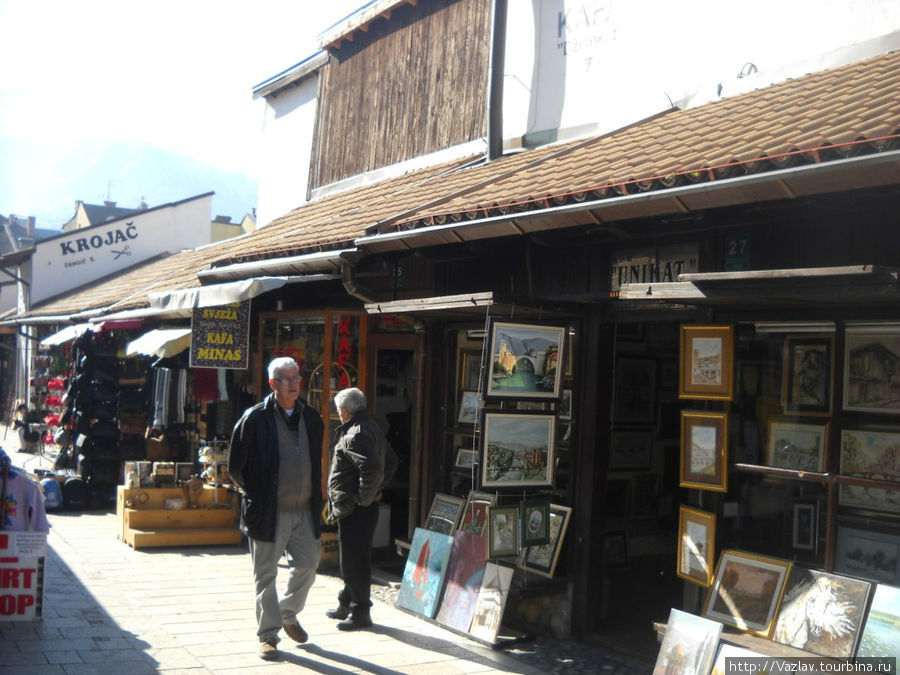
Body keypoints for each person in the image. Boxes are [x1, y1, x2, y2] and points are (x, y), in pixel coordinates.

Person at [228, 357, 324, 661]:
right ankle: (268, 635)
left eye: (297, 377)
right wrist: (259, 494)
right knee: (265, 575)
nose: (295, 384)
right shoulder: (254, 418)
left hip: (304, 509)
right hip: (269, 511)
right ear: (273, 384)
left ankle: (286, 613)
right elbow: (235, 468)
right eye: (287, 379)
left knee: (309, 564)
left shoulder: (312, 417)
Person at [326, 387, 397, 631]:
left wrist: (362, 498)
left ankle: (360, 612)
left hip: (355, 508)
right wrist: (373, 492)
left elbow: (374, 470)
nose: (338, 414)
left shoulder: (357, 433)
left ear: (345, 411)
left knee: (354, 560)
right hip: (358, 506)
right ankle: (346, 602)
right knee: (353, 558)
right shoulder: (371, 427)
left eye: (338, 410)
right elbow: (391, 462)